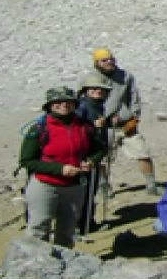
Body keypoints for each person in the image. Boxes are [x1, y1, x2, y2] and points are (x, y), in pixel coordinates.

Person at [19, 87, 106, 248]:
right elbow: (26, 161)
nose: (64, 105)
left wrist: (91, 162)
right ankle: (34, 266)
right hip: (44, 185)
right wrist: (60, 169)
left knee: (67, 231)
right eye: (58, 102)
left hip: (74, 187)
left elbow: (100, 149)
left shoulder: (85, 127)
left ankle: (63, 265)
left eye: (68, 102)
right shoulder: (39, 129)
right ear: (49, 105)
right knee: (39, 228)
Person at [81, 47, 159, 195]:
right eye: (104, 60)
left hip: (125, 123)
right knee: (102, 158)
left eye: (111, 59)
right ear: (96, 62)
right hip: (103, 126)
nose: (109, 62)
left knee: (142, 152)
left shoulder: (125, 76)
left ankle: (151, 184)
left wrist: (134, 117)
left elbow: (134, 98)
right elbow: (83, 102)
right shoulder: (89, 79)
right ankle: (104, 186)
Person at [75, 74, 113, 232]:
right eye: (94, 89)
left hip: (94, 154)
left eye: (102, 89)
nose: (98, 91)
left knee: (90, 189)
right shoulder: (82, 106)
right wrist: (93, 125)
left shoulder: (98, 105)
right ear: (86, 90)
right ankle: (80, 225)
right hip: (84, 155)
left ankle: (87, 223)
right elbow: (75, 128)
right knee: (82, 191)